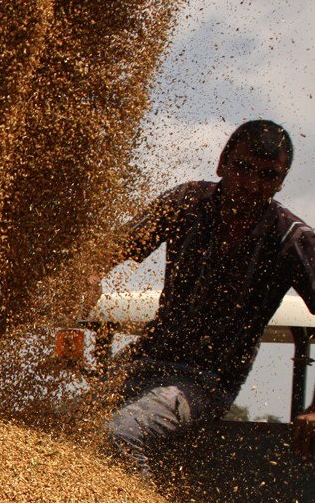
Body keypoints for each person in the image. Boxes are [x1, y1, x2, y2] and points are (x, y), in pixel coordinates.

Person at [92, 119, 315, 472]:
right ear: (222, 162)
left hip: (206, 381)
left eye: (267, 176)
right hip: (144, 359)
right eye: (242, 168)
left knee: (118, 435)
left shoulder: (290, 239)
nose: (252, 184)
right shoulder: (186, 202)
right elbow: (111, 249)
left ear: (281, 182)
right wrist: (92, 273)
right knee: (65, 427)